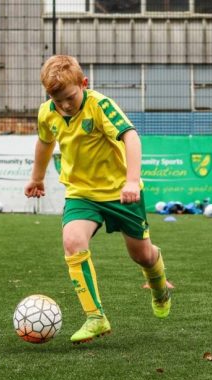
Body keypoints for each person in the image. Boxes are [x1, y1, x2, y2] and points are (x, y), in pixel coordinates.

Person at [25, 55, 171, 344]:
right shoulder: (47, 113)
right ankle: (95, 317)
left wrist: (131, 181)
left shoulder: (100, 105)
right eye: (57, 100)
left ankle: (159, 288)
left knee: (141, 254)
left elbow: (131, 136)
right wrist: (38, 177)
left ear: (84, 83)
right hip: (81, 193)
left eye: (69, 97)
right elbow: (45, 142)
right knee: (72, 241)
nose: (64, 105)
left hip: (121, 193)